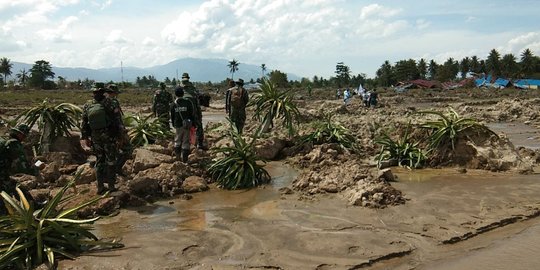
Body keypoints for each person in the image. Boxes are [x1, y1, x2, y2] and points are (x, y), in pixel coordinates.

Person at [80, 83, 122, 194]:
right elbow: (117, 121)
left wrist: (85, 138)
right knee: (111, 160)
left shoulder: (87, 105)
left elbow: (84, 123)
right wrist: (120, 136)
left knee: (99, 160)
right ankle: (112, 186)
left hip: (95, 136)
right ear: (103, 91)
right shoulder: (110, 103)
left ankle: (100, 187)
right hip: (108, 135)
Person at [0, 124, 43, 207]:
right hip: (1, 178)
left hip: (3, 176)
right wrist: (37, 168)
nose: (24, 138)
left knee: (15, 186)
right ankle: (33, 208)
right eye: (24, 136)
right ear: (20, 134)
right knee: (14, 189)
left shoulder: (3, 141)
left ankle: (33, 206)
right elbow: (23, 167)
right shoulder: (13, 144)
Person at [105, 84, 132, 176]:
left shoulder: (102, 102)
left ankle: (110, 172)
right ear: (114, 93)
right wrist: (122, 130)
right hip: (115, 130)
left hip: (105, 132)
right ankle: (117, 168)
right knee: (127, 149)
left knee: (111, 152)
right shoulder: (113, 102)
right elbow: (117, 118)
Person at [170, 87, 196, 162]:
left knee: (177, 140)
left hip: (178, 125)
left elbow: (172, 116)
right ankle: (185, 160)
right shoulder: (188, 102)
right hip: (187, 125)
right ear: (183, 93)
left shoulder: (173, 104)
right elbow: (192, 114)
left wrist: (174, 124)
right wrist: (193, 124)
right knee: (186, 142)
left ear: (175, 94)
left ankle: (177, 158)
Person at [180, 73, 205, 149]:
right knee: (198, 125)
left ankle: (181, 144)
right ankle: (200, 144)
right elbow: (198, 99)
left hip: (182, 112)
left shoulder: (178, 88)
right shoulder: (193, 88)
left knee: (181, 127)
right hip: (194, 111)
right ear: (188, 78)